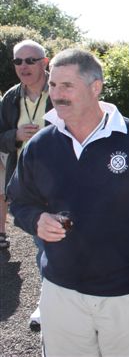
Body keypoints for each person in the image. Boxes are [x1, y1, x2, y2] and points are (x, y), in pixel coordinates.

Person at [8, 48, 129, 356]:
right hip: (61, 290)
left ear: (95, 87)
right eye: (53, 85)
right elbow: (19, 200)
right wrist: (36, 220)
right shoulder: (41, 145)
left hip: (126, 289)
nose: (56, 94)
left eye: (67, 86)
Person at [0, 39, 53, 330]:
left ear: (45, 62)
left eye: (30, 60)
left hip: (61, 182)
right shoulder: (10, 98)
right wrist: (15, 136)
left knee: (66, 240)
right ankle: (49, 301)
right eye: (18, 61)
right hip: (27, 187)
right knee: (42, 243)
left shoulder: (60, 89)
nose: (24, 66)